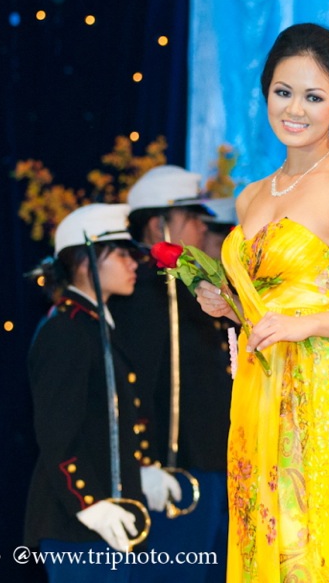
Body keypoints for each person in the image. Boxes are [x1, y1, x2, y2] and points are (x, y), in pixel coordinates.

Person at [194, 22, 329, 582]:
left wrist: (299, 323)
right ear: (265, 93)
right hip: (255, 392)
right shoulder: (251, 195)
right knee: (260, 542)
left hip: (314, 393)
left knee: (306, 553)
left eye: (314, 97)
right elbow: (265, 305)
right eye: (283, 92)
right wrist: (229, 306)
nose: (294, 109)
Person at [107, 165, 233, 582]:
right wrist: (143, 464)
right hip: (174, 474)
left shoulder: (190, 283)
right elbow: (132, 383)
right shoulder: (141, 290)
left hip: (215, 463)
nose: (201, 227)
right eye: (191, 217)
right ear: (159, 223)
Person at [24, 203, 161, 581]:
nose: (134, 263)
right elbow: (56, 434)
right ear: (85, 261)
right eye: (121, 254)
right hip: (78, 525)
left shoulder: (96, 327)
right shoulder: (65, 332)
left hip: (106, 521)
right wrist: (89, 503)